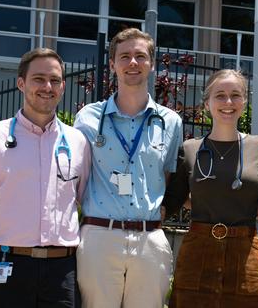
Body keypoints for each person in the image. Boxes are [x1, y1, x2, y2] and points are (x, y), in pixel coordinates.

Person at [0, 48, 91, 307]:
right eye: (39, 79)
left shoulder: (78, 142)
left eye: (55, 80)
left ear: (63, 86)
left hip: (62, 270)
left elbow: (87, 202)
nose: (47, 86)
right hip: (7, 265)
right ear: (21, 83)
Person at [73, 28, 182, 307]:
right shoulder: (88, 118)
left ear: (152, 63)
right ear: (112, 64)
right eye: (124, 56)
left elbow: (168, 176)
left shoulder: (170, 122)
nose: (132, 62)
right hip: (99, 236)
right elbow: (76, 177)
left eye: (140, 56)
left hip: (149, 239)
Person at [164, 69, 258, 307]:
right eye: (220, 95)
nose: (228, 102)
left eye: (235, 95)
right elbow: (174, 199)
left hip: (244, 250)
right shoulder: (190, 149)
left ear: (244, 101)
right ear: (206, 103)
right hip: (198, 247)